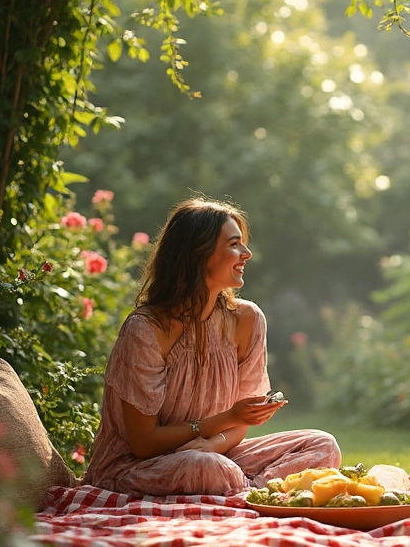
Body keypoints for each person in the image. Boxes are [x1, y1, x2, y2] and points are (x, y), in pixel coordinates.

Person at [83, 198, 341, 496]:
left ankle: (247, 491)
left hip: (216, 455)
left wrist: (213, 443)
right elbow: (143, 444)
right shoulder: (146, 330)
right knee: (208, 469)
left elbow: (238, 429)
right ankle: (257, 493)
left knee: (322, 445)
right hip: (138, 467)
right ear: (198, 254)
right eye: (234, 244)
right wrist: (227, 419)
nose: (247, 253)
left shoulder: (247, 320)